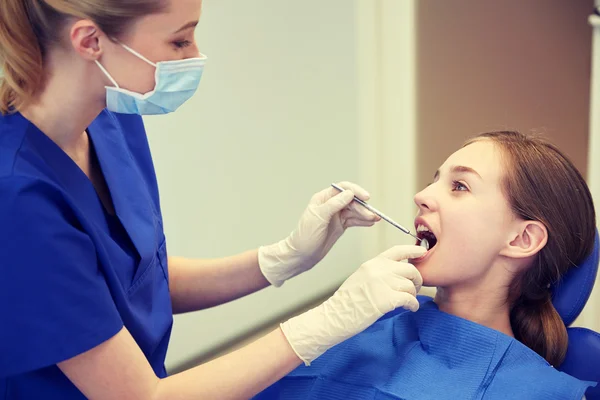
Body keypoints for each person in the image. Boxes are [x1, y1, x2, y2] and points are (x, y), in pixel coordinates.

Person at [0, 1, 429, 399]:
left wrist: (282, 259)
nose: (194, 56)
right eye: (180, 40)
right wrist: (324, 322)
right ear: (91, 41)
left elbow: (136, 278)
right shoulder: (18, 196)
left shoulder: (110, 120)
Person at [254, 131, 598, 400]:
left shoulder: (542, 393)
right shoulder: (359, 325)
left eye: (459, 186)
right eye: (435, 179)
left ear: (522, 240)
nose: (421, 195)